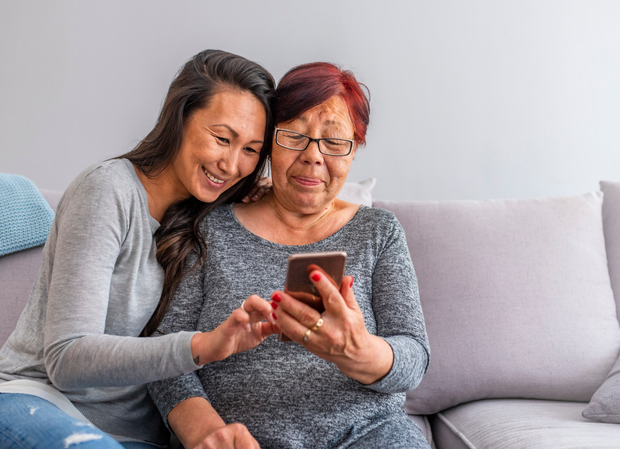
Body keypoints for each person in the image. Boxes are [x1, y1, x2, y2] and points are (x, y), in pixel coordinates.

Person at [0, 50, 279, 449]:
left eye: (251, 151)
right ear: (180, 118)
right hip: (32, 402)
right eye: (222, 139)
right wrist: (202, 346)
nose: (232, 164)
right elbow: (67, 357)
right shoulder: (108, 191)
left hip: (132, 439)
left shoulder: (210, 219)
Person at [148, 62, 431, 449]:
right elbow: (166, 355)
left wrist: (360, 352)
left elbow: (414, 355)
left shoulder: (379, 232)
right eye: (294, 136)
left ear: (354, 150)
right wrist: (208, 433)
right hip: (237, 438)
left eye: (333, 142)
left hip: (366, 435)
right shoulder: (212, 226)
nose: (314, 156)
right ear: (268, 143)